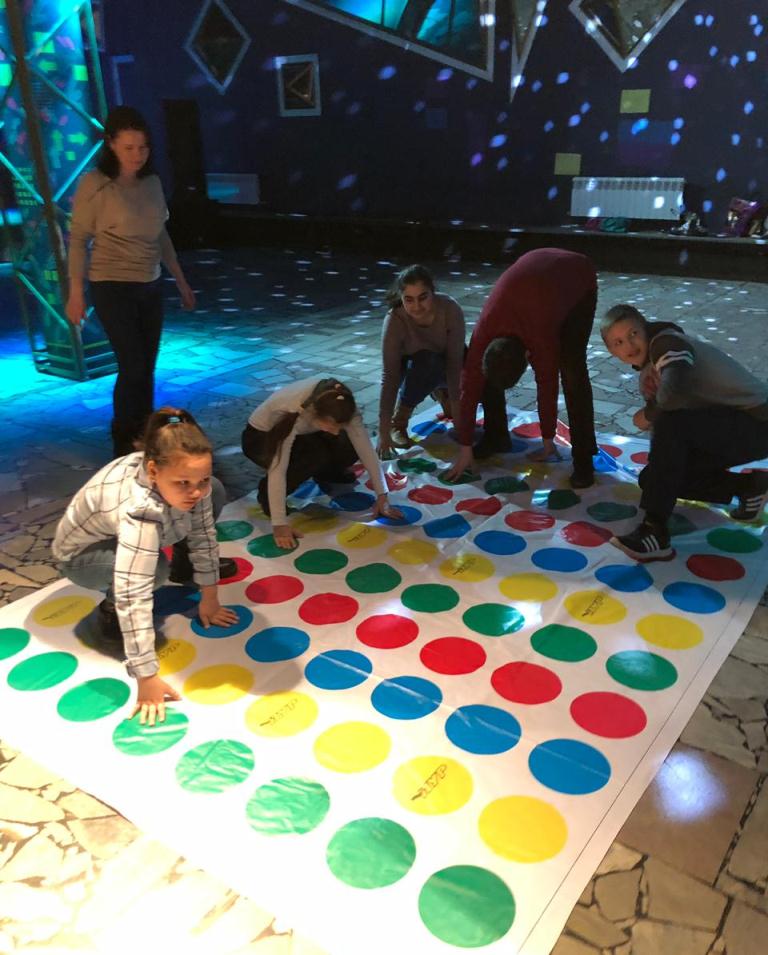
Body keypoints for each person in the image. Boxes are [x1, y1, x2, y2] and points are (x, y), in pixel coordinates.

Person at [52, 408, 239, 725]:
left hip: (130, 531)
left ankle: (184, 567)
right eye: (183, 482)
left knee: (215, 491)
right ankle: (108, 612)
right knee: (153, 572)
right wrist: (146, 675)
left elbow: (204, 536)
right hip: (81, 556)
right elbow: (133, 591)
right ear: (152, 471)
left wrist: (209, 597)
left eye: (201, 479)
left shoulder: (186, 478)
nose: (195, 490)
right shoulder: (139, 510)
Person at [65, 106, 196, 457]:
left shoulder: (151, 183)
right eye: (128, 148)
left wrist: (181, 280)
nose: (137, 155)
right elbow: (78, 240)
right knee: (132, 365)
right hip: (111, 283)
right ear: (110, 144)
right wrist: (76, 292)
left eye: (143, 147)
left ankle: (145, 433)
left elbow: (160, 235)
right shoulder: (95, 184)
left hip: (149, 283)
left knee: (147, 366)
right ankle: (123, 441)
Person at [602, 304, 768, 561]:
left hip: (758, 422)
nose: (629, 345)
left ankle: (655, 530)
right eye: (619, 342)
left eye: (633, 333)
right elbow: (667, 433)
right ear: (612, 352)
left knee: (670, 422)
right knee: (653, 478)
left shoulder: (666, 344)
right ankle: (750, 487)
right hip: (731, 428)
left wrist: (646, 414)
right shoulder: (650, 368)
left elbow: (673, 396)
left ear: (645, 329)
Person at [445, 248, 598, 488]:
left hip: (578, 277)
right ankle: (496, 436)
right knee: (480, 376)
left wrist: (548, 442)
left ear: (529, 355)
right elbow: (469, 386)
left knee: (572, 371)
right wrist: (466, 448)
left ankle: (584, 457)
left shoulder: (541, 339)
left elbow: (547, 385)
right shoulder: (484, 330)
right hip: (535, 273)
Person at [242, 377, 402, 549]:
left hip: (306, 432)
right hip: (261, 439)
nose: (335, 432)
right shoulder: (292, 412)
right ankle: (266, 494)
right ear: (315, 414)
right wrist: (279, 523)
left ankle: (326, 473)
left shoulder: (344, 407)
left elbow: (366, 450)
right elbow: (278, 468)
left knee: (347, 444)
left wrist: (382, 495)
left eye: (339, 425)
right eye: (331, 426)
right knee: (313, 458)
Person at [377, 265, 465, 456]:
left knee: (477, 372)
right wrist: (383, 432)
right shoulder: (394, 319)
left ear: (433, 291)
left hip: (446, 362)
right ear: (401, 298)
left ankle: (443, 393)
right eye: (409, 299)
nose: (417, 307)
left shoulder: (450, 308)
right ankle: (399, 421)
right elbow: (389, 377)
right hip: (415, 370)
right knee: (426, 361)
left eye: (423, 297)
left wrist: (458, 415)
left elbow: (455, 363)